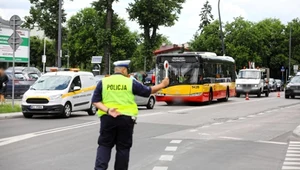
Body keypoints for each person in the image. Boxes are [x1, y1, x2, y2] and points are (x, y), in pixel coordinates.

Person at [92, 60, 169, 170]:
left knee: (104, 145)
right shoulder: (130, 82)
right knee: (123, 148)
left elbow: (95, 101)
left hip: (108, 118)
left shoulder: (103, 82)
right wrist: (162, 84)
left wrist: (108, 110)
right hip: (126, 119)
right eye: (127, 70)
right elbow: (148, 91)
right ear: (123, 70)